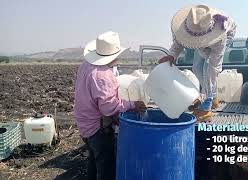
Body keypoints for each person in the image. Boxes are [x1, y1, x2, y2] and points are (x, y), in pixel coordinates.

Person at [74, 31, 146, 180]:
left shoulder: (86, 65)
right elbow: (108, 107)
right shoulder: (103, 74)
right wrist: (133, 104)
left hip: (84, 124)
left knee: (94, 160)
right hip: (98, 128)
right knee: (106, 167)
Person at [159, 5, 236, 121]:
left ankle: (207, 106)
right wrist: (171, 56)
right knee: (196, 68)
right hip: (204, 34)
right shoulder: (189, 25)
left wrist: (206, 100)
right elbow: (179, 42)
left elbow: (213, 69)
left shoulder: (220, 37)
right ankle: (213, 96)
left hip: (226, 33)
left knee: (206, 69)